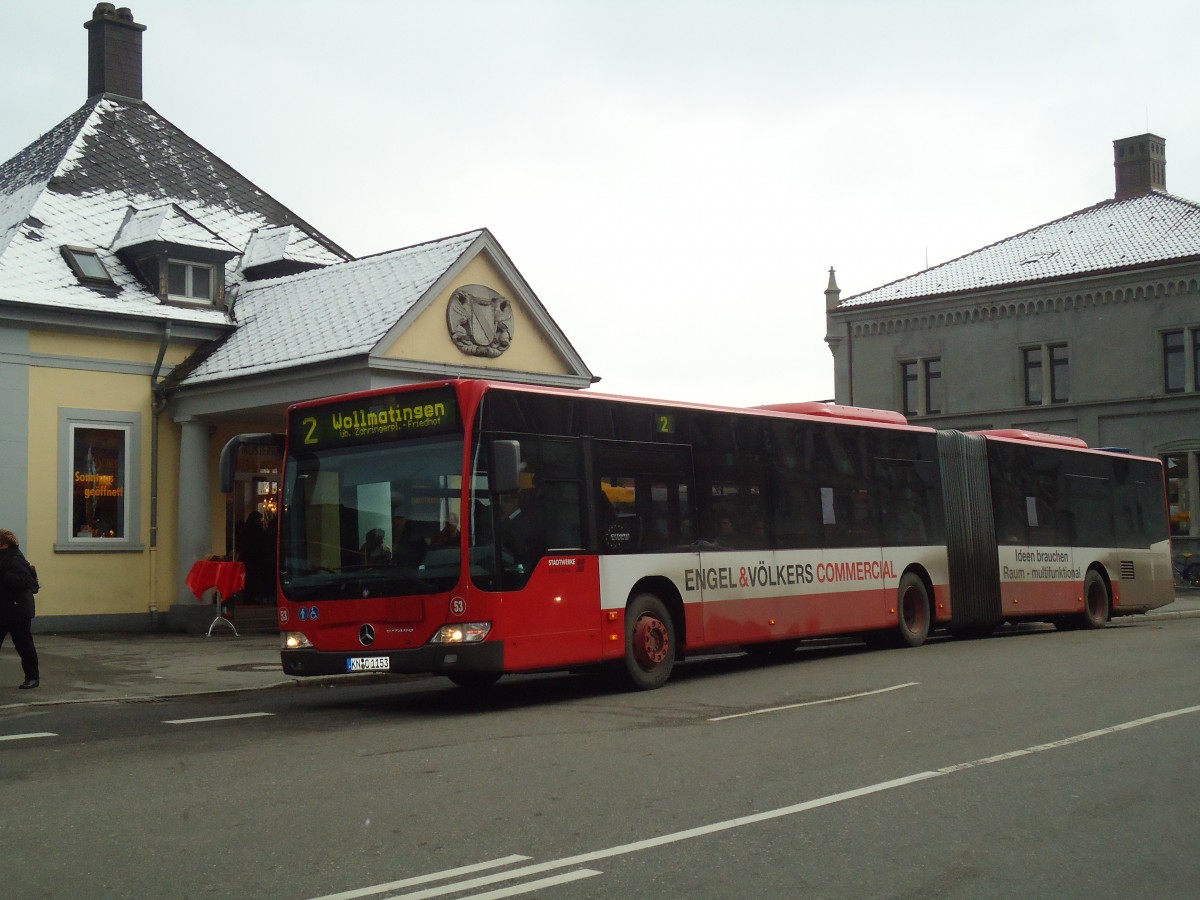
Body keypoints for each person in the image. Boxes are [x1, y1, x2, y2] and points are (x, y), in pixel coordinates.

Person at [0, 528, 40, 689]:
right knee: (24, 644)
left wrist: (2, 575)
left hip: (17, 610)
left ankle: (33, 677)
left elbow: (25, 581)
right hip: (5, 609)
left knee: (24, 645)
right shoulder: (5, 558)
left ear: (3, 545)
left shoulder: (14, 559)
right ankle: (32, 677)